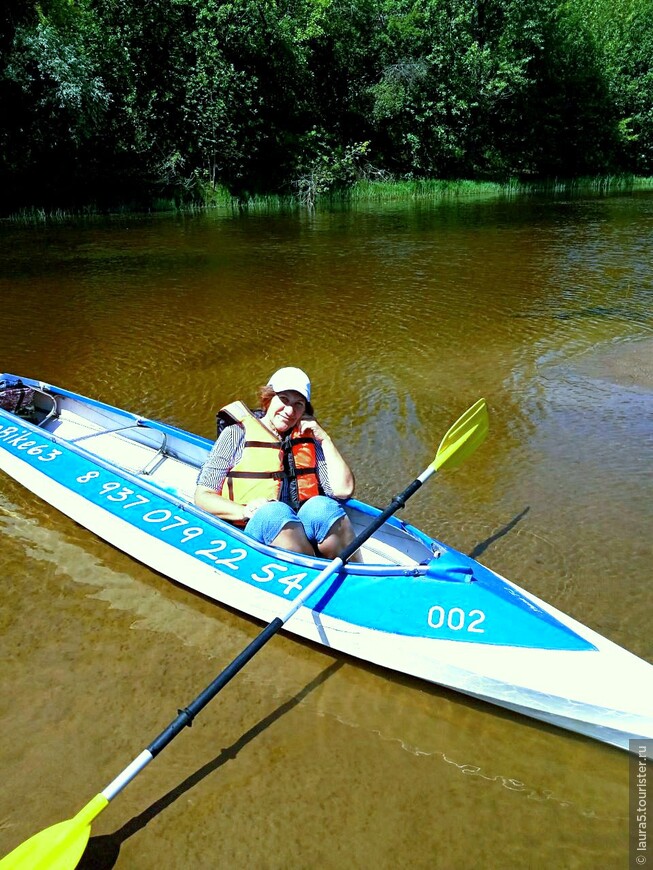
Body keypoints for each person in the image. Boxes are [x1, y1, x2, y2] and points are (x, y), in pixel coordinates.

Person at [194, 367, 361, 559]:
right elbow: (203, 496)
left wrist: (325, 440)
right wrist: (244, 511)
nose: (290, 411)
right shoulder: (236, 433)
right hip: (251, 529)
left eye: (298, 404)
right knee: (274, 513)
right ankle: (311, 572)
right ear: (268, 399)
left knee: (323, 506)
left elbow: (343, 490)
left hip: (300, 533)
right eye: (283, 399)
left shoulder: (309, 438)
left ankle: (355, 575)